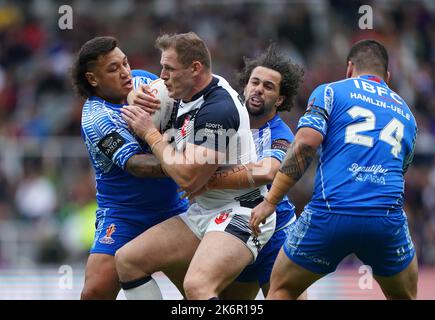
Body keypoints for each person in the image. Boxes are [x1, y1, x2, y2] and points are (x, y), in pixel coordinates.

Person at [250, 39, 418, 300]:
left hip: (330, 215)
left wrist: (270, 201)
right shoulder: (406, 113)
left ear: (350, 67)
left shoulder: (330, 92)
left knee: (282, 289)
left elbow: (305, 144)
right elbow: (400, 169)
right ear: (387, 76)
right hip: (385, 221)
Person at [116, 32, 276, 300]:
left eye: (169, 69)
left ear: (195, 69)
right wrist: (135, 98)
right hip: (203, 211)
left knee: (198, 287)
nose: (162, 75)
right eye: (162, 67)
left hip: (241, 212)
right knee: (127, 260)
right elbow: (144, 96)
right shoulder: (182, 90)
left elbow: (190, 179)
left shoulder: (218, 109)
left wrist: (150, 134)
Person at [182, 44, 304, 299]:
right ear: (245, 86)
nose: (258, 89)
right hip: (232, 228)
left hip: (277, 234)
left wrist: (208, 182)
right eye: (254, 82)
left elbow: (268, 170)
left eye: (268, 86)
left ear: (280, 99)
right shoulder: (222, 116)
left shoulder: (280, 134)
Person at [71, 36, 188, 299]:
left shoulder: (145, 82)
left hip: (174, 208)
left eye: (125, 63)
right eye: (113, 69)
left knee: (201, 289)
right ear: (93, 79)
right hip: (125, 215)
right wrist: (187, 161)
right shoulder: (96, 118)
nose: (125, 72)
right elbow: (138, 166)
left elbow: (188, 105)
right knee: (94, 293)